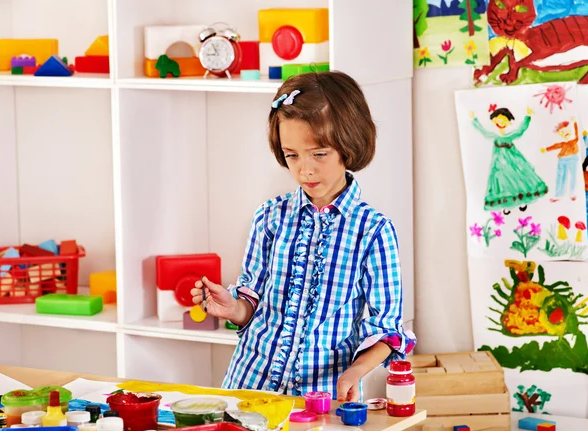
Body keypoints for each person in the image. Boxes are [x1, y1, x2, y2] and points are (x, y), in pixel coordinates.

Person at [191, 71, 415, 402]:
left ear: (348, 145)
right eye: (292, 155)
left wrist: (355, 372)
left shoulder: (374, 231)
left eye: (319, 154)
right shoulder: (269, 216)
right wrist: (232, 308)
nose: (304, 170)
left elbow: (386, 329)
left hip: (323, 396)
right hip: (248, 385)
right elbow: (251, 302)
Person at [470, 105, 548, 215]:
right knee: (502, 181)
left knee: (518, 178)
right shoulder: (495, 136)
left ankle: (522, 200)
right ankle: (506, 204)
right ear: (493, 120)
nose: (500, 122)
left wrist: (527, 117)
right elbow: (484, 132)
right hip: (499, 164)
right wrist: (475, 120)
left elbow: (520, 131)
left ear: (509, 122)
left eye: (504, 120)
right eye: (498, 119)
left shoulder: (509, 136)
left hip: (513, 161)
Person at [541, 118, 580, 202]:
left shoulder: (574, 140)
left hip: (572, 159)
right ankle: (558, 194)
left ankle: (572, 193)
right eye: (562, 132)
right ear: (559, 134)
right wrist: (546, 149)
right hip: (562, 160)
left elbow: (577, 133)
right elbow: (555, 146)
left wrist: (575, 123)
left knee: (573, 176)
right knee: (561, 176)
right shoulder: (562, 143)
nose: (565, 133)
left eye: (566, 131)